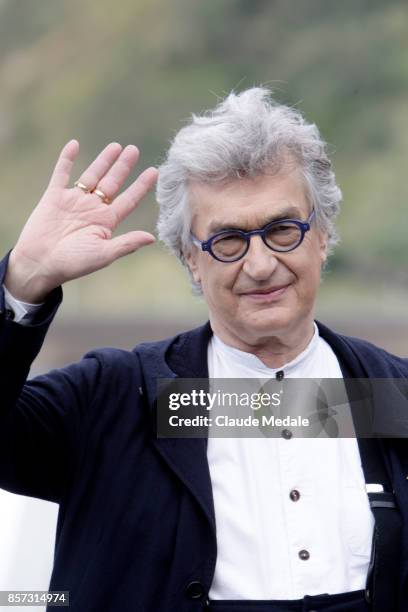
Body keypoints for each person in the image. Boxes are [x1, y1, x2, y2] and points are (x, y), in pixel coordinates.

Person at [0, 87, 407, 612]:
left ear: (322, 234)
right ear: (190, 259)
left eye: (283, 230)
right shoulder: (111, 402)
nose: (260, 266)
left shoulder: (392, 395)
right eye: (228, 240)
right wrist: (22, 282)